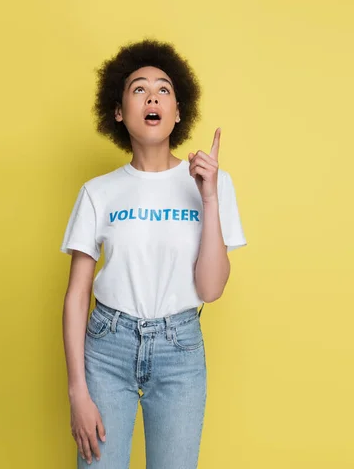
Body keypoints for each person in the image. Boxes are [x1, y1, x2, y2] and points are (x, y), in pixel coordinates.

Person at [60, 38, 247, 468]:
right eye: (139, 89)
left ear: (178, 112)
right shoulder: (98, 192)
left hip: (179, 349)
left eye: (164, 90)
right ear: (119, 111)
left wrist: (210, 199)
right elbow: (75, 295)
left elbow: (211, 289)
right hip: (107, 349)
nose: (152, 97)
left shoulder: (212, 183)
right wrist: (78, 392)